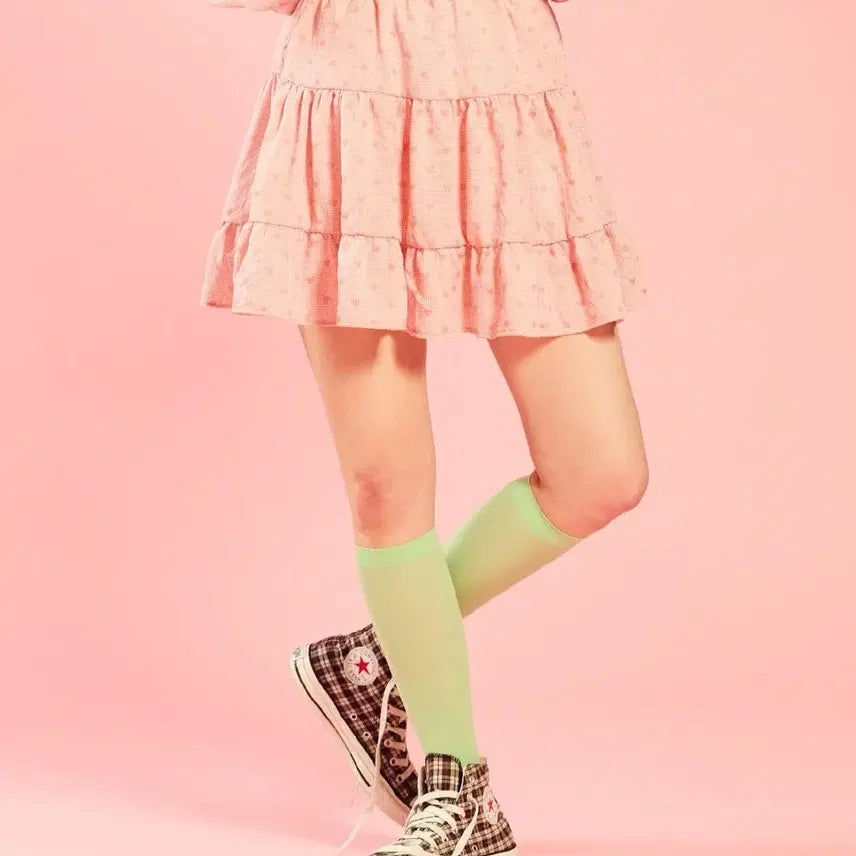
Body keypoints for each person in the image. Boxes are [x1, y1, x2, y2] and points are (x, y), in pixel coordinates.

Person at [202, 0, 648, 854]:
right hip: (351, 105)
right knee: (385, 486)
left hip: (505, 103)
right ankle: (458, 789)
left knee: (601, 472)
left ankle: (370, 661)